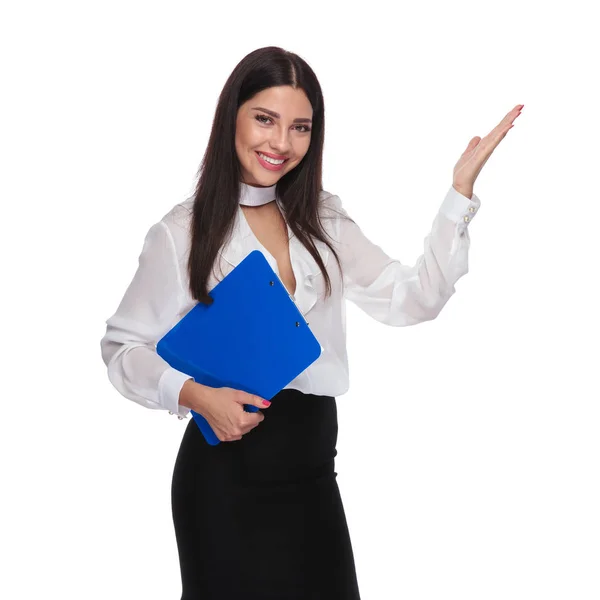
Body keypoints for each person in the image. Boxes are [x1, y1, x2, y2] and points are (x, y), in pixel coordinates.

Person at [100, 45, 522, 599]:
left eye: (300, 127)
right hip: (225, 477)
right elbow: (122, 348)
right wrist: (196, 397)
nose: (281, 143)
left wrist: (459, 192)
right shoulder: (181, 233)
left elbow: (413, 298)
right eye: (265, 119)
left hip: (312, 471)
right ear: (233, 116)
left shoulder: (323, 220)